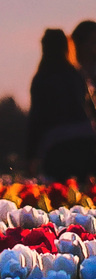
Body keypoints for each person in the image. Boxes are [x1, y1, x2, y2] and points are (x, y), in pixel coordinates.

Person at [28, 28, 96, 181]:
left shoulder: (41, 78)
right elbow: (92, 109)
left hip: (57, 146)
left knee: (60, 192)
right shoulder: (76, 74)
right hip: (87, 142)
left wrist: (31, 156)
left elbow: (36, 119)